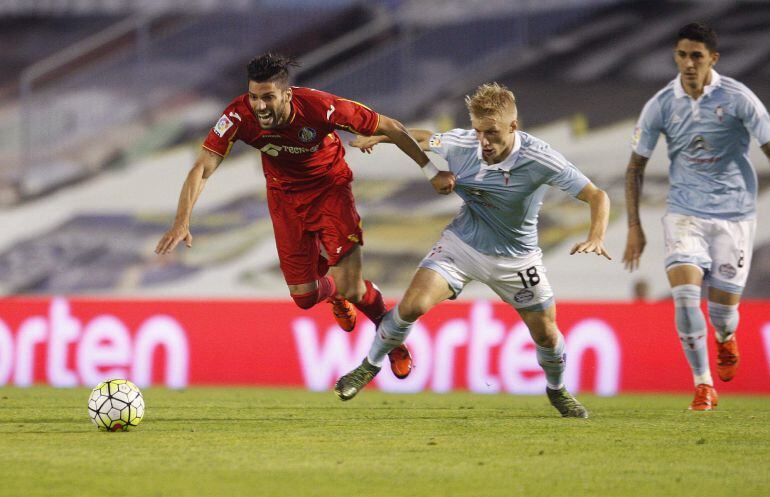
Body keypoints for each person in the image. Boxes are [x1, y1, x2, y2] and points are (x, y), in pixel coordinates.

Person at [155, 53, 456, 379]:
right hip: (284, 200)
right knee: (304, 297)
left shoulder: (321, 107)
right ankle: (336, 293)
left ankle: (392, 340)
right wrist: (182, 219)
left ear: (287, 93)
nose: (260, 106)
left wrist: (432, 172)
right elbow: (202, 166)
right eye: (255, 97)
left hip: (331, 192)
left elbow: (393, 128)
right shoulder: (238, 115)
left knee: (354, 290)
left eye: (268, 97)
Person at [337, 83, 611, 418]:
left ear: (513, 126)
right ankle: (369, 365)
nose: (484, 141)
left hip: (517, 259)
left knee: (547, 335)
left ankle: (557, 390)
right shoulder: (463, 143)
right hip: (463, 245)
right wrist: (379, 137)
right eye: (478, 131)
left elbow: (597, 195)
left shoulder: (540, 158)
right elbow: (420, 137)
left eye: (492, 132)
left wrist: (596, 236)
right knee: (412, 306)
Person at [623, 23, 770, 411]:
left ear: (712, 59)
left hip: (735, 216)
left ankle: (725, 336)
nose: (688, 63)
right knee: (686, 298)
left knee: (723, 314)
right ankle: (703, 384)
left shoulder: (739, 99)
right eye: (682, 55)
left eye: (696, 56)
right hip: (685, 213)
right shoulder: (660, 104)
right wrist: (634, 228)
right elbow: (635, 167)